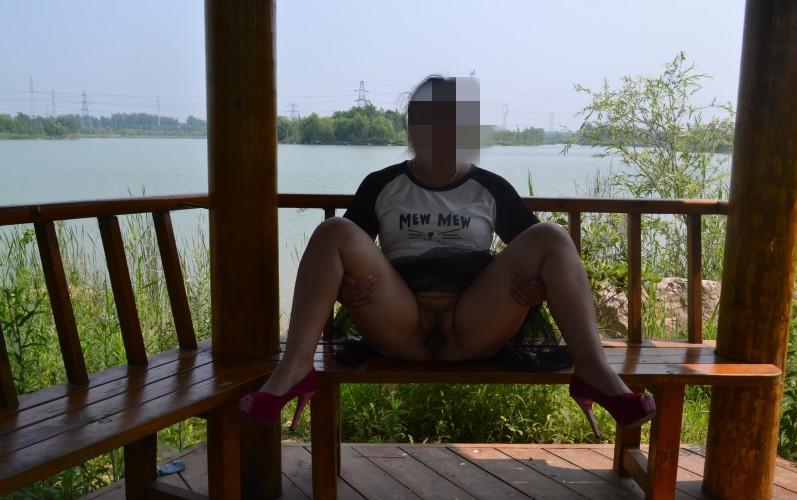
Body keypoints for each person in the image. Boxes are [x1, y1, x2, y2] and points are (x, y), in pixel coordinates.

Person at [239, 75, 656, 438]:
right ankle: (295, 368)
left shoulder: (490, 188)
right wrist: (344, 287)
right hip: (401, 324)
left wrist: (537, 290)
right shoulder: (381, 185)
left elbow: (541, 258)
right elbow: (345, 254)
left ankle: (593, 370)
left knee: (551, 236)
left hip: (474, 325)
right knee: (333, 231)